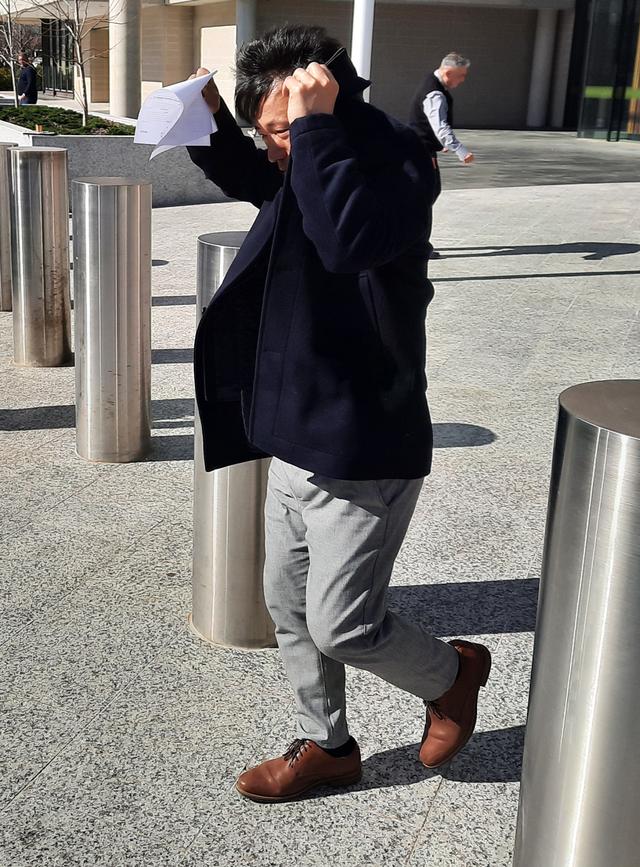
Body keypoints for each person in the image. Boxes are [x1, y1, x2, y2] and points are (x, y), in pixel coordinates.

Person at [187, 25, 491, 803]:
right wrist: (212, 117)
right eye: (270, 133)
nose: (276, 148)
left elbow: (346, 236)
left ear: (326, 91)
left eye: (282, 129)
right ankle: (328, 746)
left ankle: (453, 674)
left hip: (364, 439)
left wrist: (314, 129)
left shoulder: (392, 156)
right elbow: (267, 182)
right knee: (289, 608)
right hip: (295, 427)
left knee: (344, 624)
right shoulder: (308, 150)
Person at [409, 52, 472, 258]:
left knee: (427, 194)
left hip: (424, 147)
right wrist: (460, 150)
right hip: (422, 150)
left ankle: (416, 242)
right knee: (426, 195)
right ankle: (419, 245)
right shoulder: (435, 93)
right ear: (448, 72)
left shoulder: (433, 85)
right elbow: (441, 127)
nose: (463, 80)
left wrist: (439, 144)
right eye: (461, 76)